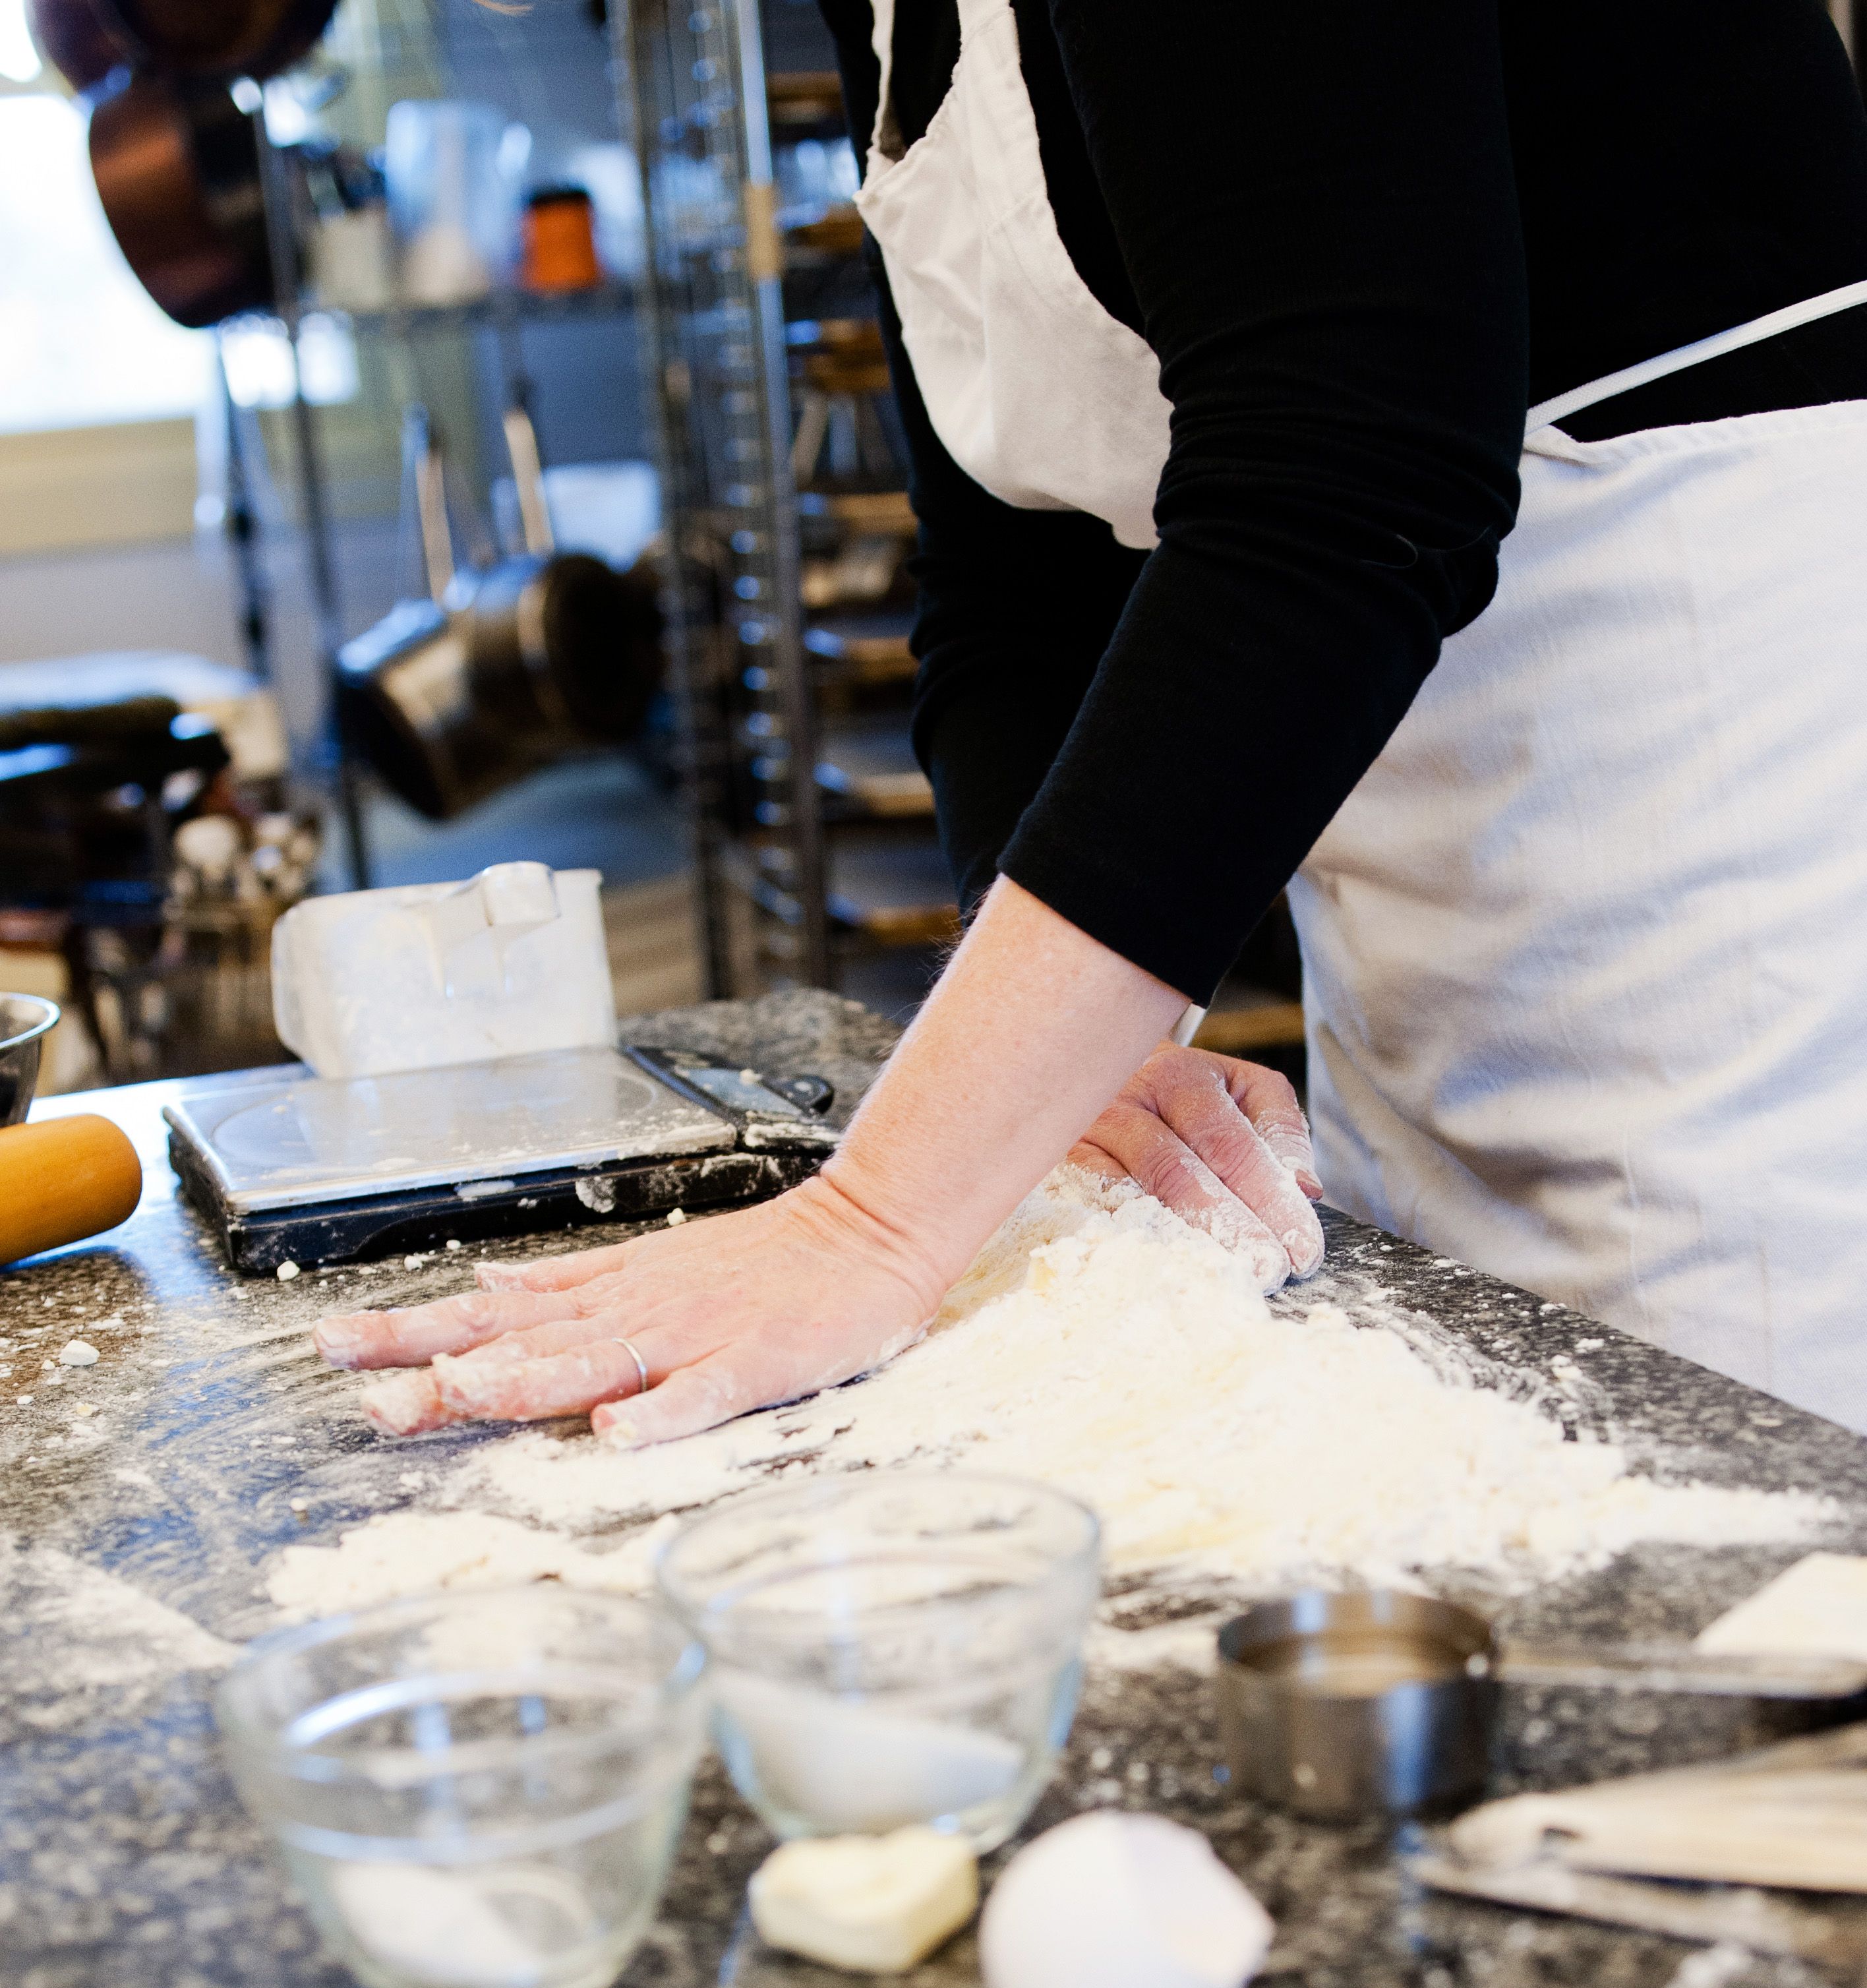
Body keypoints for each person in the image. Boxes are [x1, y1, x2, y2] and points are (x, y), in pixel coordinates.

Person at [319, 0, 1867, 1438]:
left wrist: (877, 1220)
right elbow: (1013, 573)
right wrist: (1072, 1056)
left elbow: (1355, 479)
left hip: (1713, 810)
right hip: (1427, 868)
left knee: (1746, 1521)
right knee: (1495, 1429)